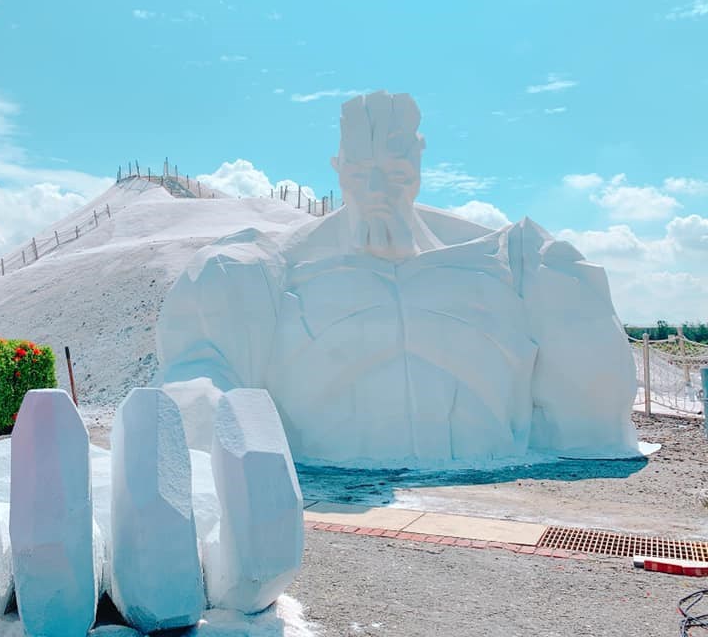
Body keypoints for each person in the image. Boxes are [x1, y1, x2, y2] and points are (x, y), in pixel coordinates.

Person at [156, 91, 638, 467]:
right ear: (339, 169)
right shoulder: (253, 270)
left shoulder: (517, 261)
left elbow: (592, 399)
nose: (376, 188)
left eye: (396, 171)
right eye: (360, 171)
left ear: (420, 167)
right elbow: (196, 382)